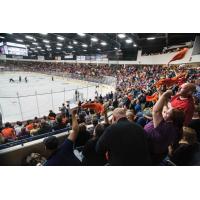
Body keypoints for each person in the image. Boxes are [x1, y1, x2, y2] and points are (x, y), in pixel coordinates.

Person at [144, 90, 185, 165]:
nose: (165, 112)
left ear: (170, 118)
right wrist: (162, 96)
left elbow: (156, 111)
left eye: (167, 113)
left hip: (150, 153)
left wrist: (165, 95)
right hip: (159, 153)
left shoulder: (165, 127)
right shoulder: (175, 126)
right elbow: (166, 108)